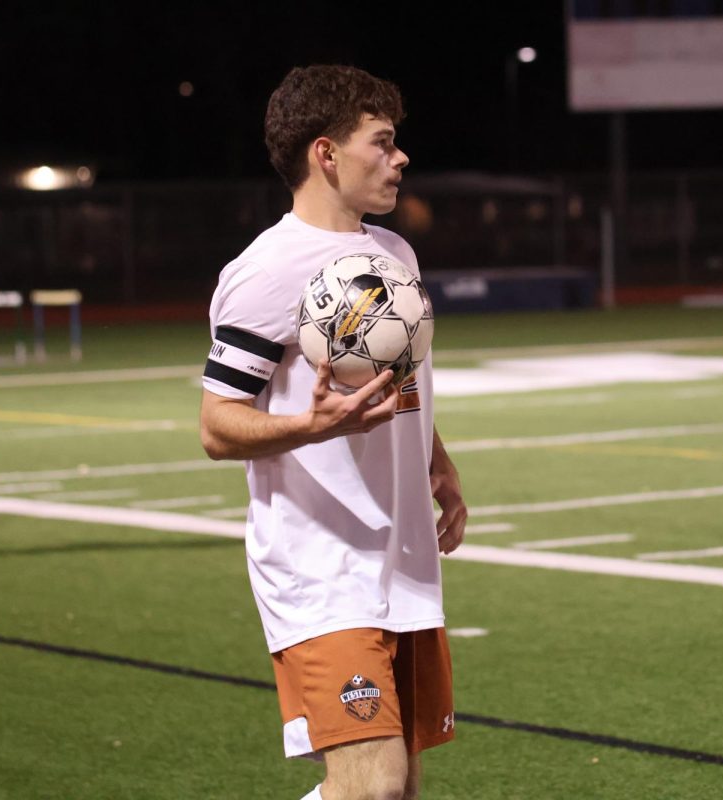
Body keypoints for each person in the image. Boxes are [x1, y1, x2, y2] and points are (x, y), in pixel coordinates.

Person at [198, 64, 467, 800]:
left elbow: (398, 383)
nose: (399, 157)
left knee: (401, 788)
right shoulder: (267, 270)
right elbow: (218, 427)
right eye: (381, 142)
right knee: (372, 783)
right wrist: (309, 427)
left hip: (402, 559)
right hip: (318, 567)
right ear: (326, 154)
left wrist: (437, 464)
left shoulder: (394, 256)